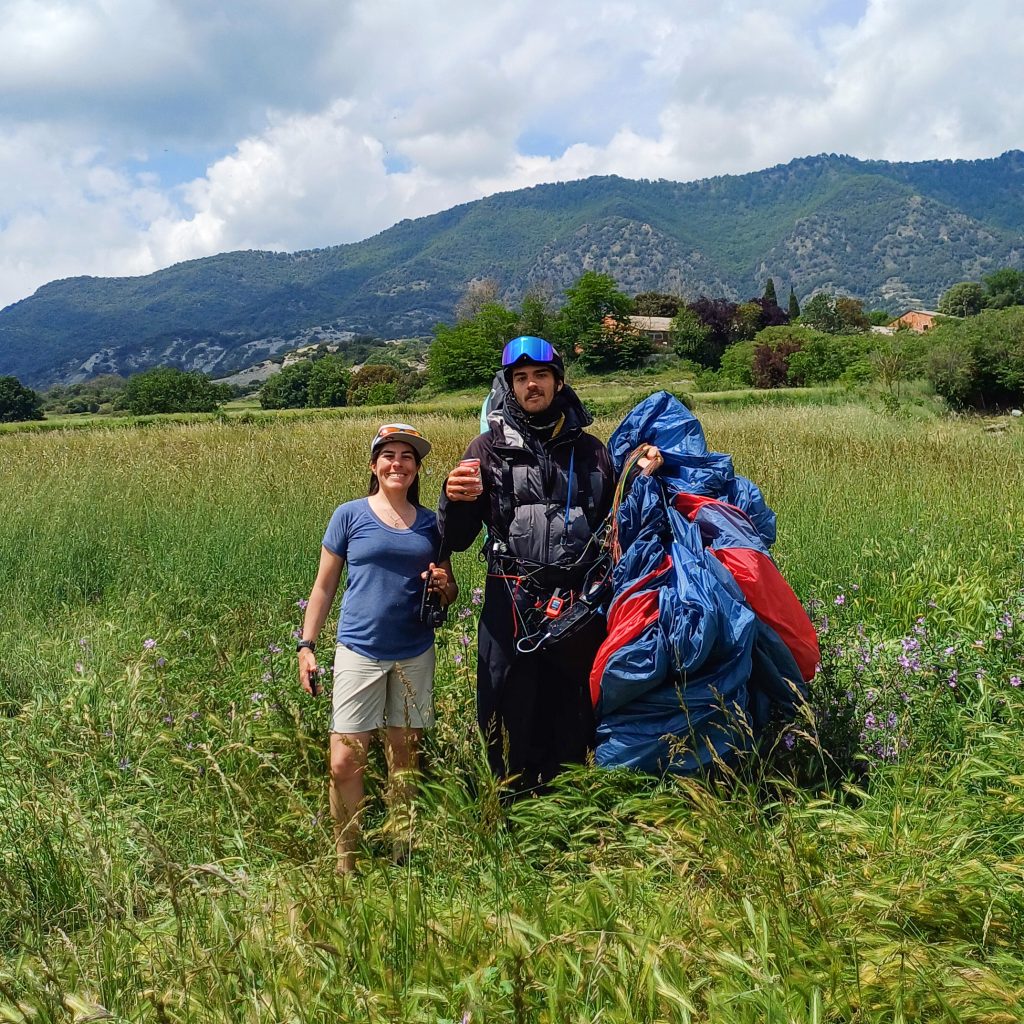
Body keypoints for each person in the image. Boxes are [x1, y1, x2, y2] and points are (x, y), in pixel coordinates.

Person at [440, 335, 660, 795]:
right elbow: (458, 539)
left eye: (540, 376)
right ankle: (512, 811)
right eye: (520, 378)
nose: (531, 385)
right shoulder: (485, 450)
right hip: (510, 598)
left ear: (559, 382)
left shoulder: (594, 451)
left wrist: (648, 469)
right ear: (509, 386)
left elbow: (617, 524)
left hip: (578, 601)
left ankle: (570, 809)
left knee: (573, 705)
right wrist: (452, 499)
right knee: (505, 704)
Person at [297, 423, 456, 874]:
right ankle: (345, 862)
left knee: (403, 755)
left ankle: (400, 849)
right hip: (359, 650)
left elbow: (450, 590)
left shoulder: (432, 524)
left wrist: (445, 587)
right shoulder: (349, 515)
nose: (397, 464)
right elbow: (324, 587)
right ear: (374, 465)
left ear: (417, 469)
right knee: (346, 760)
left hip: (414, 651)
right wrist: (306, 645)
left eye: (407, 457)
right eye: (389, 455)